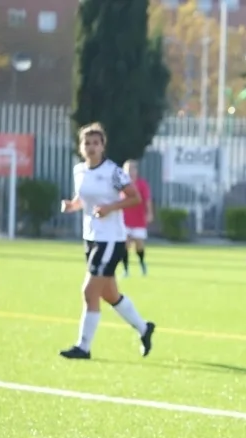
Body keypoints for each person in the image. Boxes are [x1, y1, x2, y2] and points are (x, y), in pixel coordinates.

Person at [58, 123, 156, 360]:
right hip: (90, 238)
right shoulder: (79, 170)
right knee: (110, 294)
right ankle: (144, 328)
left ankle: (83, 347)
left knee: (89, 291)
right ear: (81, 147)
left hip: (111, 239)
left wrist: (111, 207)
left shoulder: (113, 172)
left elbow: (134, 198)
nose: (91, 147)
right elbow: (83, 199)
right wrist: (72, 205)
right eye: (87, 143)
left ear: (103, 146)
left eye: (96, 143)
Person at [121, 160, 154, 277]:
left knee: (139, 244)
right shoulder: (121, 185)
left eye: (132, 169)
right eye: (128, 169)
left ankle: (142, 263)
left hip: (138, 219)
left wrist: (149, 213)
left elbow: (147, 200)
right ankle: (126, 270)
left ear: (136, 170)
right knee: (125, 244)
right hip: (124, 220)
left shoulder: (142, 184)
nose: (130, 172)